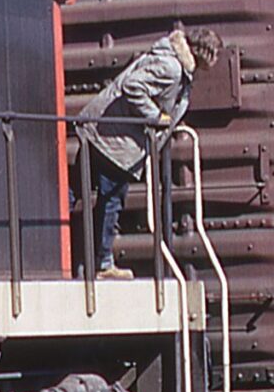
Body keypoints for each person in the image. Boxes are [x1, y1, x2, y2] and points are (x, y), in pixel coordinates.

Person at [78, 26, 224, 278]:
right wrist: (155, 116)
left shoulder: (175, 63)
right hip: (113, 140)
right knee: (111, 200)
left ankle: (89, 258)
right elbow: (133, 86)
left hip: (109, 134)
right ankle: (103, 265)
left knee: (77, 192)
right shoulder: (172, 67)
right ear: (205, 52)